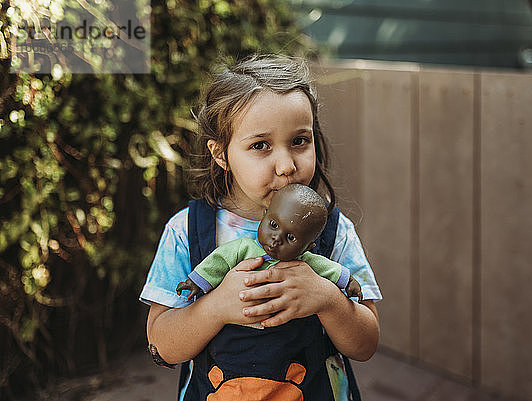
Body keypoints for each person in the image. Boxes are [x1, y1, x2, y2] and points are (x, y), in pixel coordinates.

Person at [139, 54, 382, 401]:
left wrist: (328, 300)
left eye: (300, 141)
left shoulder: (334, 232)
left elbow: (366, 343)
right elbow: (160, 345)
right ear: (221, 154)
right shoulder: (186, 231)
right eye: (260, 146)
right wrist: (215, 306)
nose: (286, 166)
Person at [176, 184, 363, 303]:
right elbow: (218, 262)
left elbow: (330, 269)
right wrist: (196, 282)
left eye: (291, 238)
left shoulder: (306, 263)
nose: (277, 238)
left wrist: (349, 282)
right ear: (264, 216)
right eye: (273, 225)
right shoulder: (243, 248)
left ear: (307, 247)